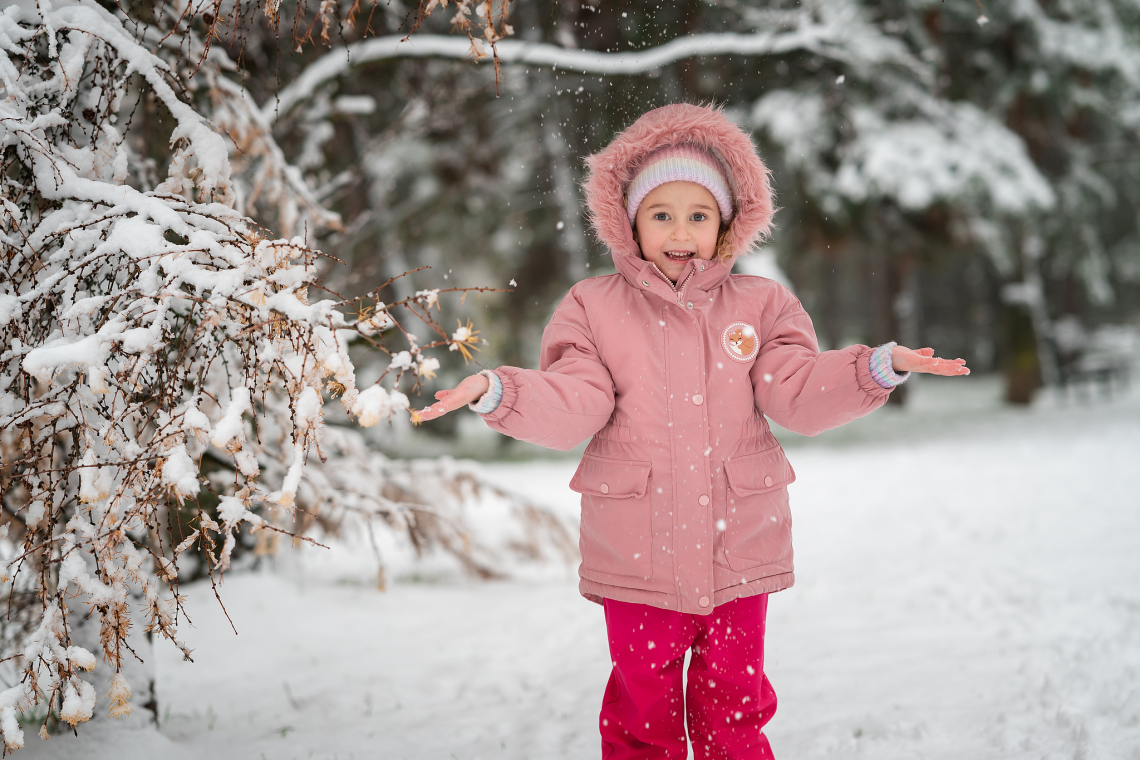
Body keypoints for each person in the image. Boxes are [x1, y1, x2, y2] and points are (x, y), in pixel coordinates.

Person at [415, 103, 968, 759]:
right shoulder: (592, 307)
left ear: (728, 224)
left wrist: (874, 367)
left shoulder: (760, 305)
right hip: (638, 555)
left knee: (733, 706)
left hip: (740, 552)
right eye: (662, 214)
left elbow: (794, 390)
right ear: (630, 223)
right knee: (641, 712)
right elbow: (576, 397)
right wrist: (501, 390)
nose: (681, 231)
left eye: (699, 214)